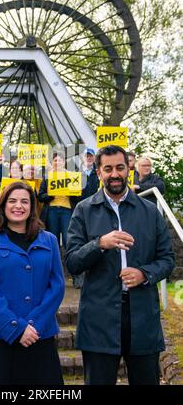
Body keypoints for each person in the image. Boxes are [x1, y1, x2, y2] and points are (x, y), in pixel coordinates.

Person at [66, 145, 174, 385]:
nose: (114, 174)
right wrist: (100, 243)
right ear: (98, 172)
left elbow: (167, 259)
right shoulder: (83, 210)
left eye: (120, 168)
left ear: (129, 170)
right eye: (108, 169)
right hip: (99, 316)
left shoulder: (149, 211)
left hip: (142, 315)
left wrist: (144, 274)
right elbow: (72, 262)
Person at [0, 181, 65, 385]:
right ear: (2, 205)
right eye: (12, 201)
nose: (18, 206)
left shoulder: (49, 240)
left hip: (38, 335)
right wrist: (16, 327)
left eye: (24, 201)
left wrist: (32, 325)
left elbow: (56, 286)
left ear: (32, 207)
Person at [38, 152, 78, 251]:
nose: (57, 162)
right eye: (55, 160)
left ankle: (68, 261)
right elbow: (40, 196)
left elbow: (77, 197)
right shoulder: (47, 176)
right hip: (52, 210)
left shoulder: (71, 176)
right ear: (52, 162)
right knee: (53, 238)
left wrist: (72, 193)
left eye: (59, 160)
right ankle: (54, 260)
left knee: (67, 238)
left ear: (64, 162)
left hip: (67, 210)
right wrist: (50, 195)